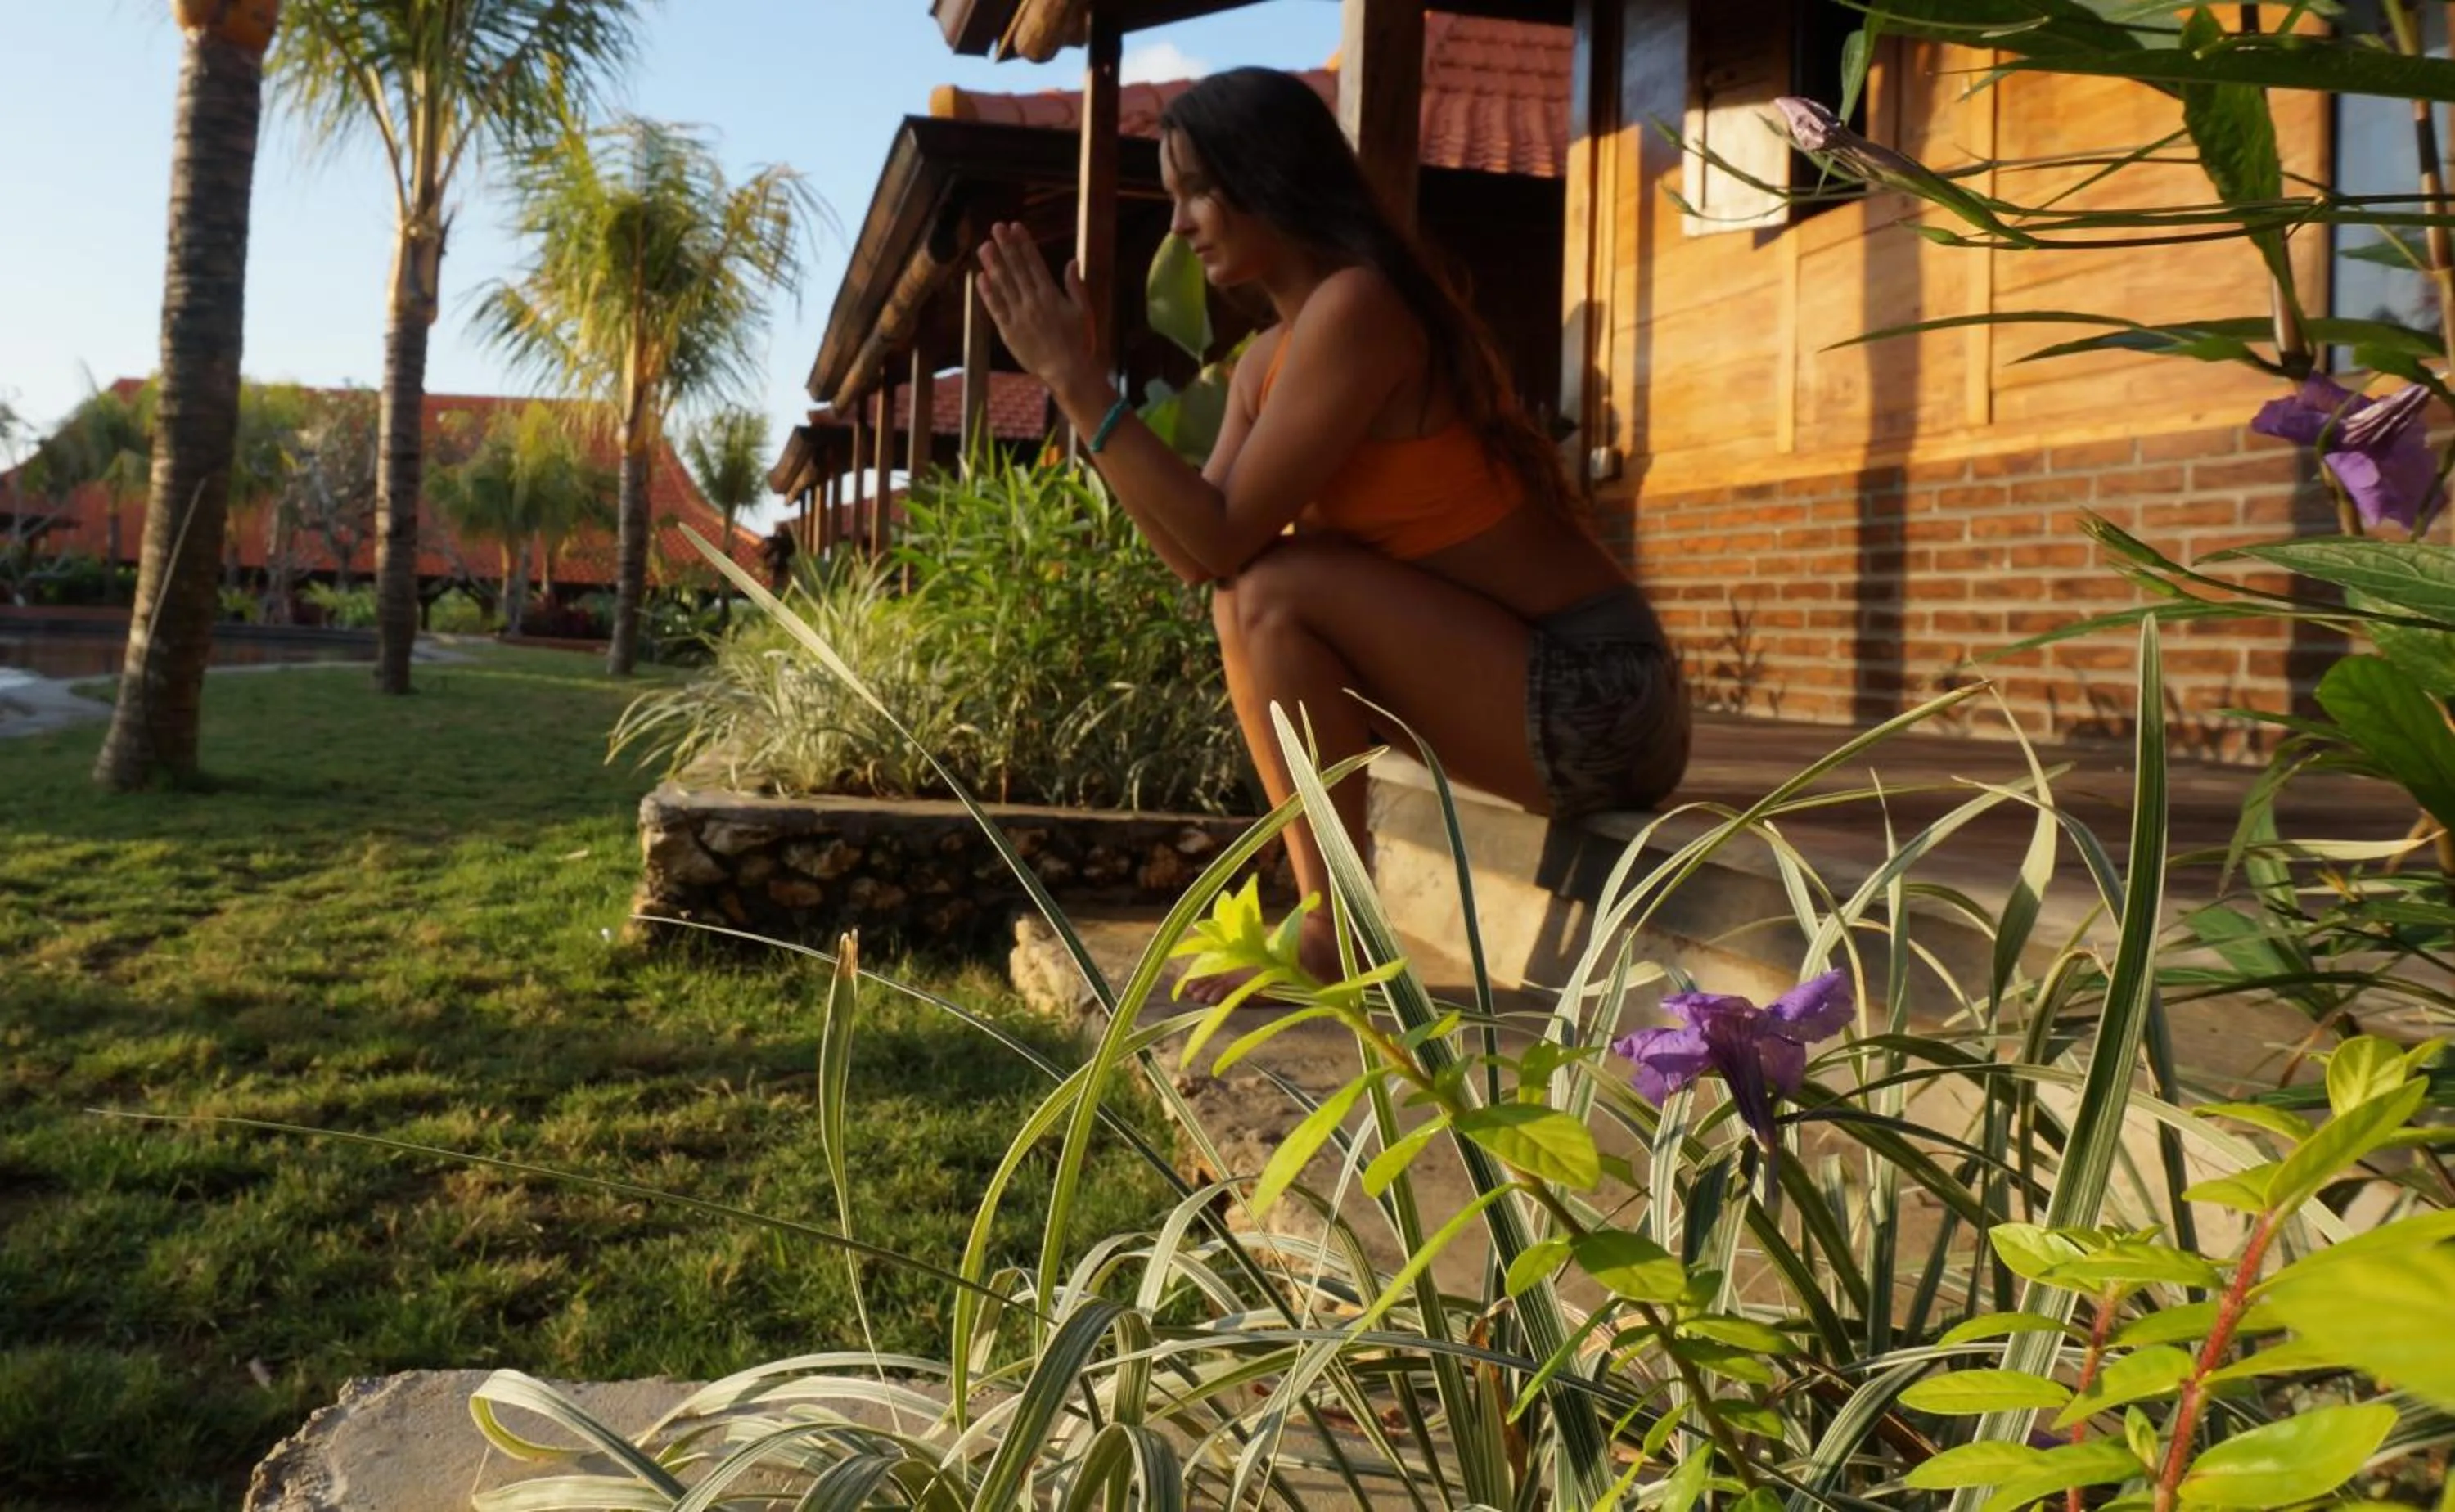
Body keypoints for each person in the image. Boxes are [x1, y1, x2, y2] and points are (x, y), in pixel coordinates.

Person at [975, 67, 1688, 999]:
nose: (1181, 224)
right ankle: (1334, 921)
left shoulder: (1359, 308)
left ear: (1270, 176)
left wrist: (1077, 381)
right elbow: (1197, 554)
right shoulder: (1262, 363)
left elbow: (1227, 539)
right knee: (1250, 597)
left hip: (1607, 696)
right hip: (1514, 690)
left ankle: (1334, 927)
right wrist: (1077, 384)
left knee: (1273, 587)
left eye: (1199, 189)